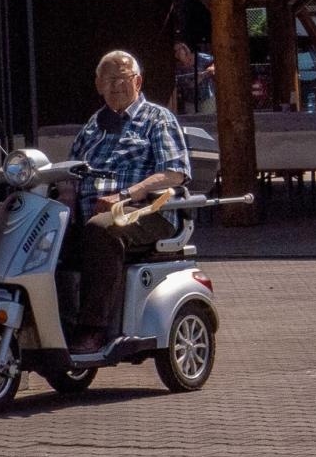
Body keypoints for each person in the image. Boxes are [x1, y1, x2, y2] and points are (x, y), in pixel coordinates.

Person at [66, 50, 190, 354]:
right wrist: (64, 202)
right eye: (109, 79)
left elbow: (174, 174)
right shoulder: (93, 126)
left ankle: (92, 329)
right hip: (92, 213)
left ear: (138, 81)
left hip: (149, 210)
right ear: (98, 85)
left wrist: (125, 195)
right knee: (46, 237)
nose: (117, 85)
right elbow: (70, 172)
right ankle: (56, 324)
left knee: (100, 228)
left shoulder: (157, 118)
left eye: (123, 78)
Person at [171, 40, 216, 115]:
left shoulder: (200, 57)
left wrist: (210, 69)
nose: (178, 53)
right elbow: (184, 83)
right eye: (175, 51)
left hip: (206, 97)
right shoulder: (177, 67)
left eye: (180, 49)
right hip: (190, 100)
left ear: (185, 48)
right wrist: (198, 78)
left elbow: (215, 62)